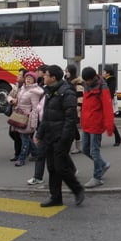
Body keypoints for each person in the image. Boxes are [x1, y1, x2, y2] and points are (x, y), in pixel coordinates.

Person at [34, 65, 85, 207]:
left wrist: (64, 138)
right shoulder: (49, 91)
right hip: (49, 135)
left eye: (46, 75)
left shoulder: (66, 92)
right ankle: (56, 197)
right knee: (51, 167)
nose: (43, 77)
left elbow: (71, 119)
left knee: (60, 167)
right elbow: (46, 116)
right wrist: (40, 134)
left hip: (61, 136)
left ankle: (77, 189)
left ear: (53, 78)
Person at [79, 67, 114, 188]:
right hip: (87, 123)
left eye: (87, 81)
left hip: (96, 124)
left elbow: (108, 108)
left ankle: (97, 177)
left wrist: (109, 127)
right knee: (85, 149)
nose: (86, 83)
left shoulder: (102, 88)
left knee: (94, 151)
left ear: (93, 78)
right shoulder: (87, 85)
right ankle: (103, 164)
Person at [12, 71, 44, 167]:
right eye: (27, 78)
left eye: (30, 78)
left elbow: (35, 109)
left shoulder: (34, 91)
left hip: (28, 117)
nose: (28, 80)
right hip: (20, 115)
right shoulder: (23, 88)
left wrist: (33, 123)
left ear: (34, 80)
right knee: (24, 137)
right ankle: (36, 153)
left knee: (25, 138)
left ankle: (21, 159)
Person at [7, 68, 27, 162]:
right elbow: (9, 95)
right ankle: (19, 152)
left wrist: (17, 101)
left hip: (22, 114)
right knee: (13, 133)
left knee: (20, 134)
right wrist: (11, 100)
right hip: (14, 113)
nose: (17, 76)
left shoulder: (27, 88)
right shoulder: (16, 86)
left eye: (20, 75)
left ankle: (21, 153)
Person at [65, 64, 83, 154]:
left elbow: (80, 95)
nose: (66, 73)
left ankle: (78, 146)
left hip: (75, 107)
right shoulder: (66, 81)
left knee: (73, 127)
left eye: (67, 71)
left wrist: (78, 106)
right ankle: (77, 146)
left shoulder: (78, 82)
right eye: (66, 71)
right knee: (73, 127)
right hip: (68, 106)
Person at [103, 65, 121, 147]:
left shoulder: (111, 80)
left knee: (108, 121)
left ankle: (118, 137)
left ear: (108, 73)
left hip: (108, 103)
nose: (103, 73)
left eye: (104, 71)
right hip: (104, 102)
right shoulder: (104, 80)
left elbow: (109, 94)